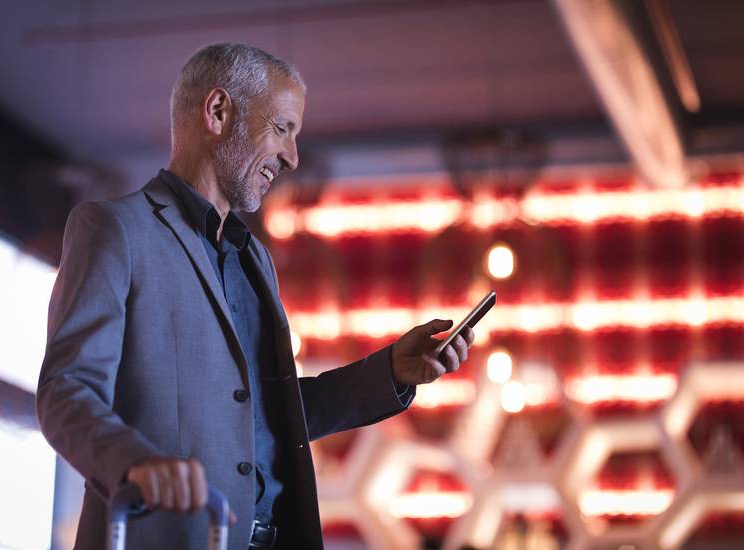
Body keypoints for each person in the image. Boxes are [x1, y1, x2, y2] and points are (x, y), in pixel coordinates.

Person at [36, 43, 474, 550]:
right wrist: (133, 462)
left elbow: (267, 415)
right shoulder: (115, 229)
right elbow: (66, 391)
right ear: (218, 112)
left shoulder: (254, 259)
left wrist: (391, 371)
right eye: (282, 128)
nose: (292, 157)